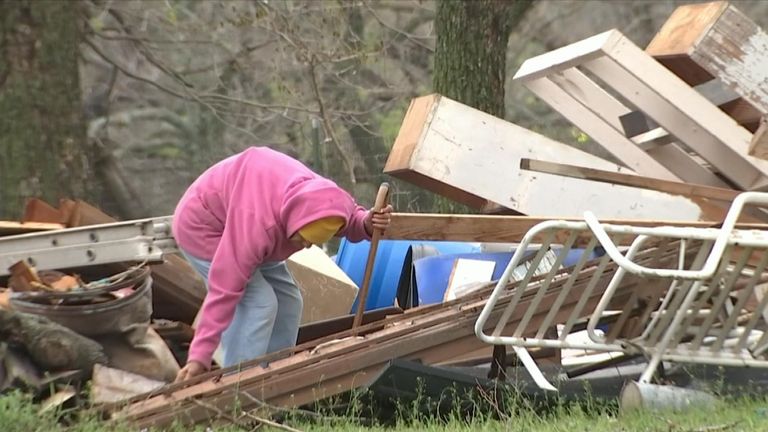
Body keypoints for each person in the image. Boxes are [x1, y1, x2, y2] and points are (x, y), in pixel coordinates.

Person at [172, 146, 393, 382]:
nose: (306, 247)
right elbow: (223, 291)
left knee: (289, 300)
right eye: (302, 239)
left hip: (256, 225)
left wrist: (368, 223)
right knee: (259, 303)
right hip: (204, 227)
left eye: (312, 242)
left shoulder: (328, 199)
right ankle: (239, 387)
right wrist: (199, 357)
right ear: (293, 223)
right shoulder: (257, 226)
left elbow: (351, 220)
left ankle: (276, 377)